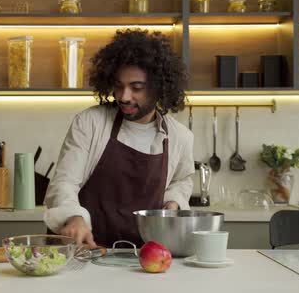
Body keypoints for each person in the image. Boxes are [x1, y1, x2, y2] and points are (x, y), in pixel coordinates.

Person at [43, 29, 194, 248]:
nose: (124, 96)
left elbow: (182, 180)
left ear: (159, 88)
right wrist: (73, 217)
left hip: (140, 256)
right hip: (85, 251)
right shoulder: (90, 123)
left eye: (136, 88)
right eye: (118, 85)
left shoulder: (179, 136)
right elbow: (64, 182)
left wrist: (174, 202)